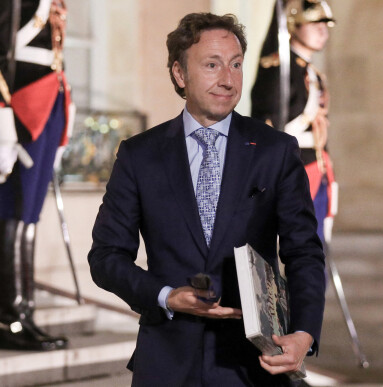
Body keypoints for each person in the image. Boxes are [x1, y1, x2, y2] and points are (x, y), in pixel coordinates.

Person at [88, 12, 326, 386]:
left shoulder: (275, 151)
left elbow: (305, 253)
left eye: (235, 65)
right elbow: (105, 257)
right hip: (165, 363)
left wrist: (304, 333)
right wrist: (166, 296)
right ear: (180, 74)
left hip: (253, 367)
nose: (228, 79)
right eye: (212, 65)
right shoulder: (140, 155)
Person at [0, 0, 72, 351]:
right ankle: (7, 316)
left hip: (48, 98)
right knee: (12, 209)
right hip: (19, 105)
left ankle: (24, 311)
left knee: (29, 212)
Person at [251, 0, 337, 248]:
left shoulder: (312, 73)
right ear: (294, 25)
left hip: (316, 167)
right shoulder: (278, 68)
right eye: (315, 22)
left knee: (315, 247)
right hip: (292, 168)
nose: (323, 30)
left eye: (326, 24)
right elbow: (267, 126)